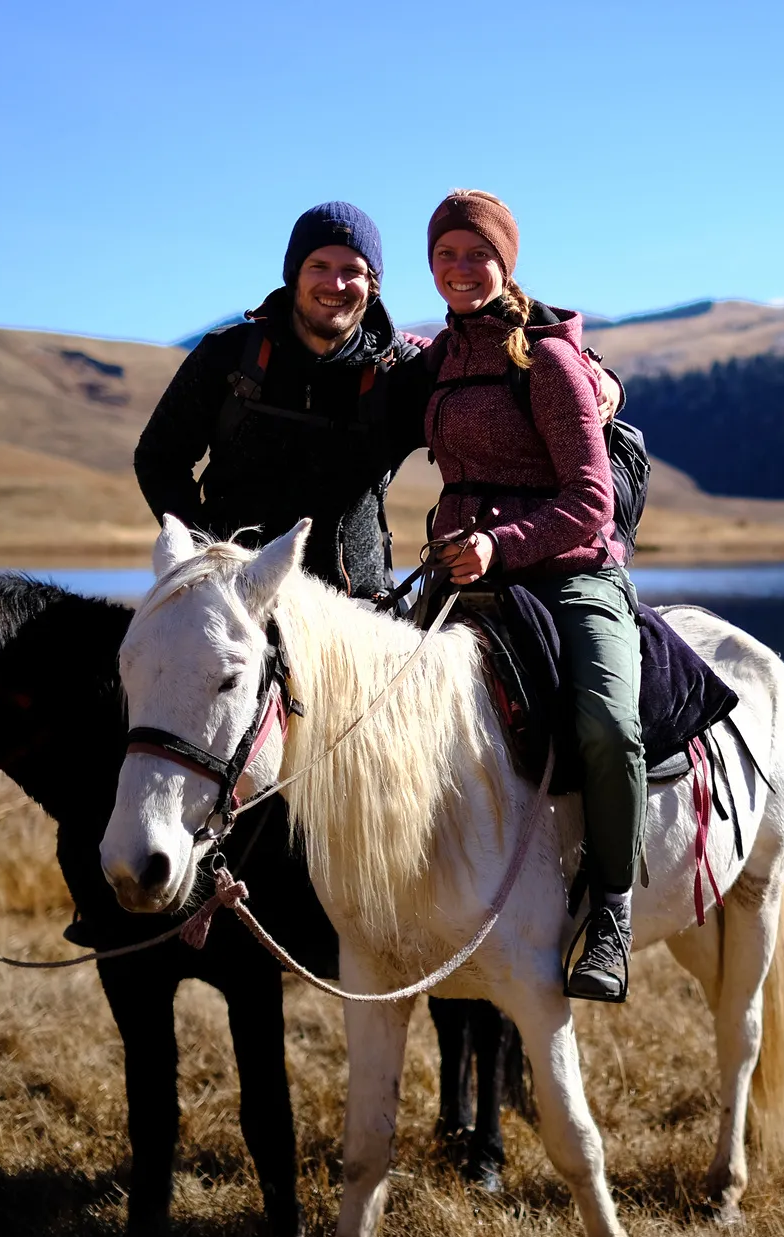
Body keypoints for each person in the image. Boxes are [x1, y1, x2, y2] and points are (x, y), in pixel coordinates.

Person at [135, 201, 620, 602]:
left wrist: (600, 378)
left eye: (352, 271)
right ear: (293, 275)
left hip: (358, 613)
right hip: (235, 599)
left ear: (372, 286)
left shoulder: (401, 370)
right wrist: (205, 552)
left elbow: (486, 368)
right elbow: (159, 458)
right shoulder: (228, 355)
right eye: (319, 266)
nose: (335, 284)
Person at [423, 190, 642, 1003]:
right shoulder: (438, 359)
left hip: (570, 574)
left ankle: (611, 910)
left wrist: (500, 544)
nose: (460, 269)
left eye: (476, 254)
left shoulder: (546, 361)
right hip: (466, 577)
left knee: (609, 726)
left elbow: (592, 499)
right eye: (445, 255)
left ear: (505, 262)